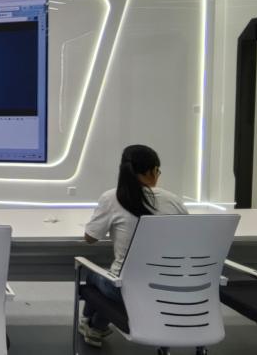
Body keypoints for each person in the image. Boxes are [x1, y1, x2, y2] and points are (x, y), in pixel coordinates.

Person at [78, 144, 188, 347]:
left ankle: (92, 325)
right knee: (113, 278)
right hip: (172, 288)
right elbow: (187, 239)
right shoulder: (174, 201)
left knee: (94, 275)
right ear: (152, 171)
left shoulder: (111, 198)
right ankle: (93, 327)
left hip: (127, 290)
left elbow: (90, 238)